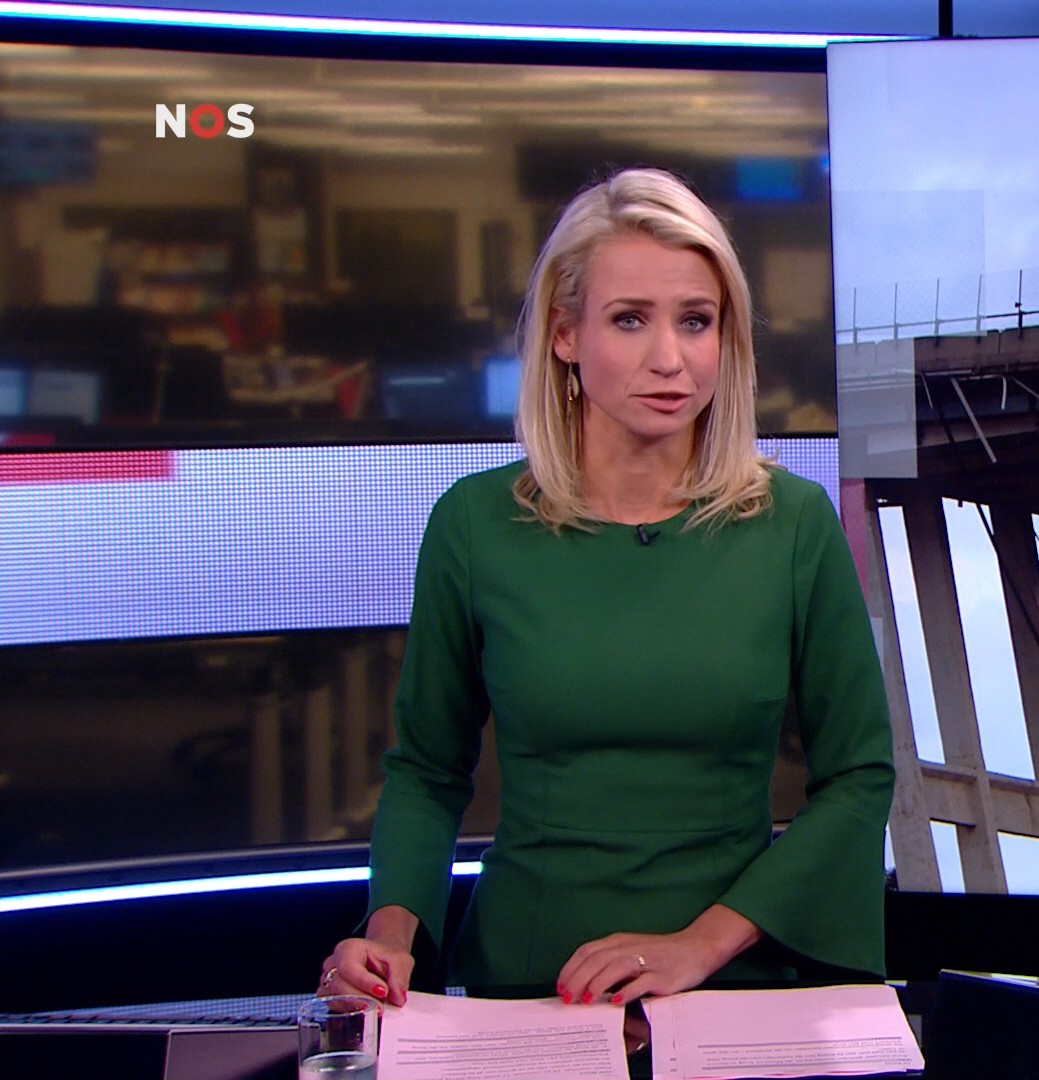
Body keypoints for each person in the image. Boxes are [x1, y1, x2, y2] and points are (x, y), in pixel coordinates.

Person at [317, 168, 895, 1015]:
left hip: (733, 982)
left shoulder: (794, 525)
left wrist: (700, 944)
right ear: (565, 334)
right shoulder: (475, 524)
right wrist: (390, 938)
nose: (670, 358)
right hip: (533, 979)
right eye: (630, 319)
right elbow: (428, 771)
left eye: (696, 321)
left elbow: (858, 777)